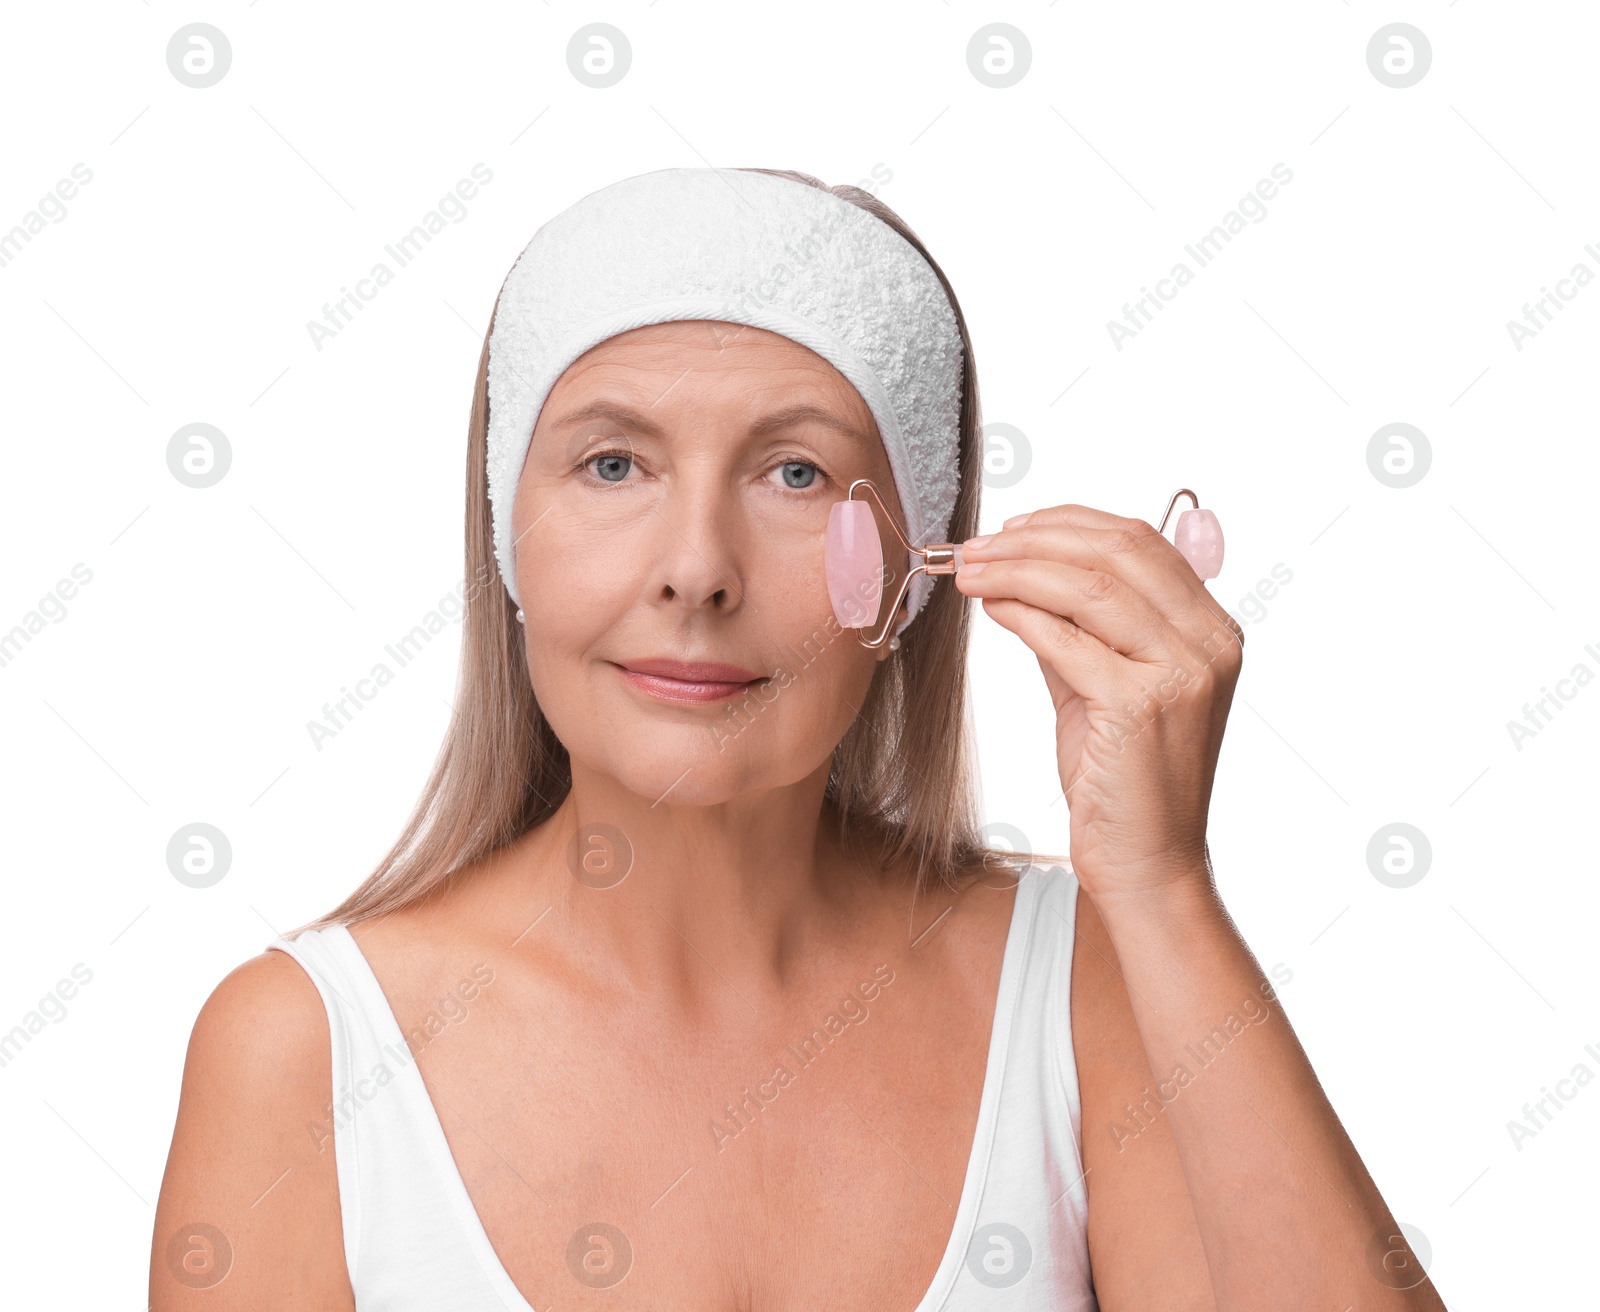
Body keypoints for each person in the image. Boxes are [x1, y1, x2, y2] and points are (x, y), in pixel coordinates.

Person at [151, 168, 1444, 1310]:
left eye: (797, 475)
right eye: (613, 465)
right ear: (508, 540)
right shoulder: (306, 1054)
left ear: (918, 565)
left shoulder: (1082, 989)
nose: (697, 572)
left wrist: (1162, 885)